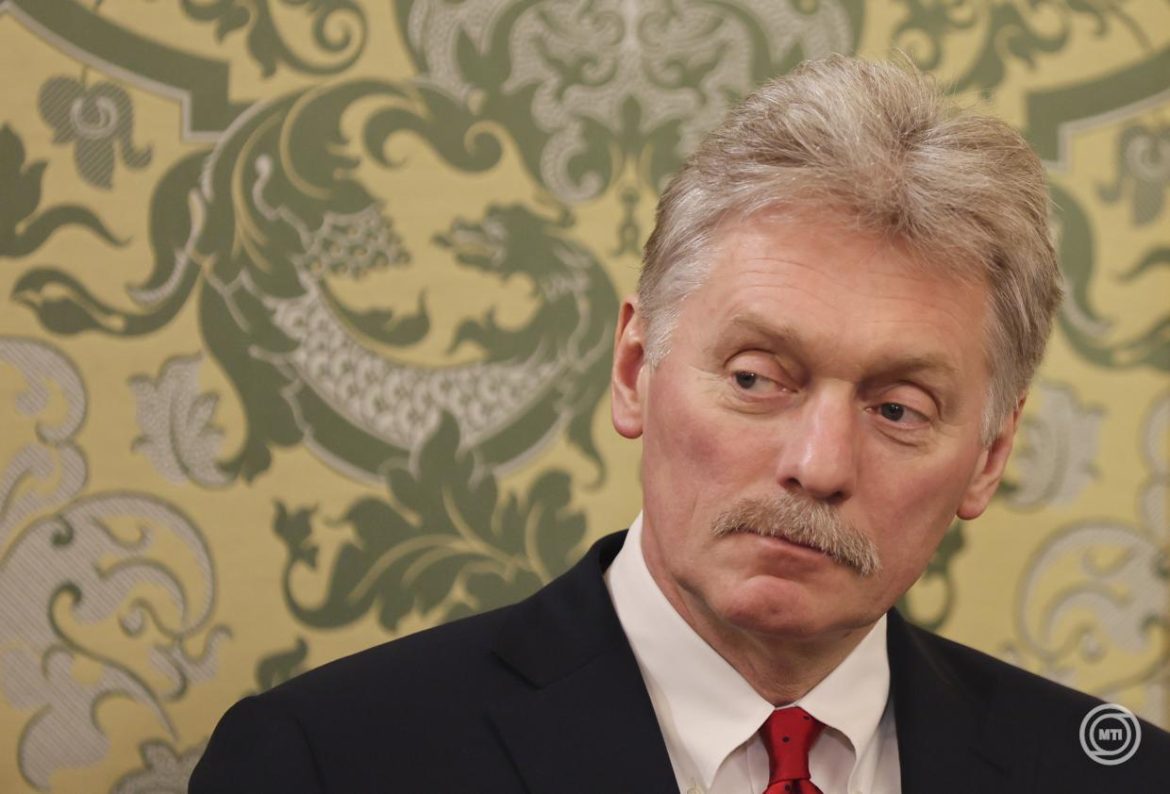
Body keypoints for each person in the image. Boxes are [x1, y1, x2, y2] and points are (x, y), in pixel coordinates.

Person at [190, 55, 1170, 793]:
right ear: (634, 369)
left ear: (988, 457)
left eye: (897, 409)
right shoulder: (329, 760)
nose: (818, 464)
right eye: (756, 378)